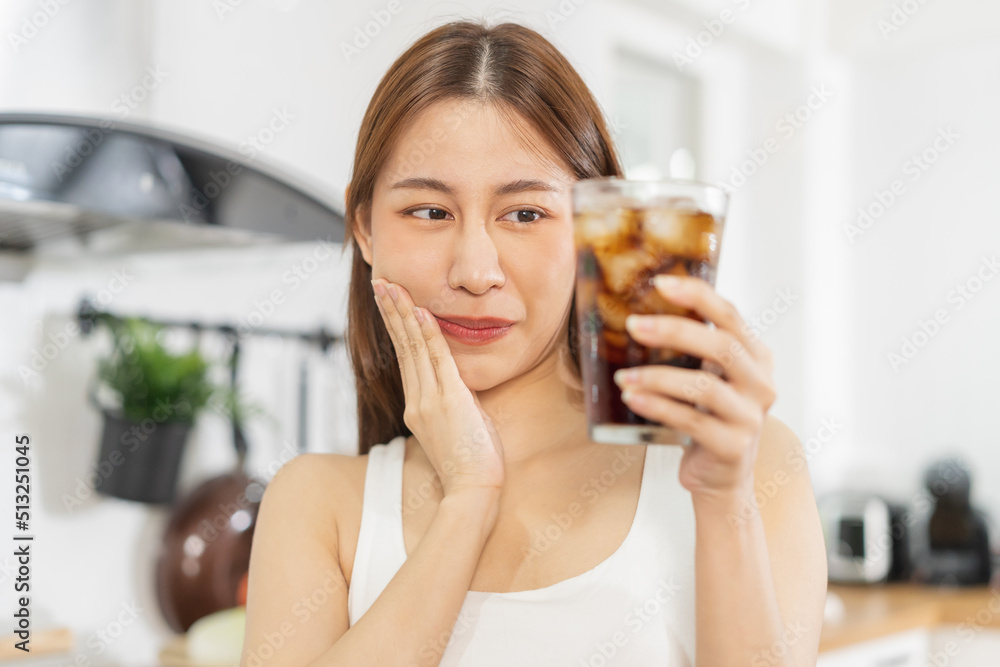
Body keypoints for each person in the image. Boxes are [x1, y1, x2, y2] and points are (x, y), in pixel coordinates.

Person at [241, 18, 827, 667]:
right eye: (429, 212)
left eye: (525, 213)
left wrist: (722, 503)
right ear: (365, 226)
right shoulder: (317, 504)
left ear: (595, 226)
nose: (475, 270)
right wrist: (468, 498)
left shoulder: (748, 469)